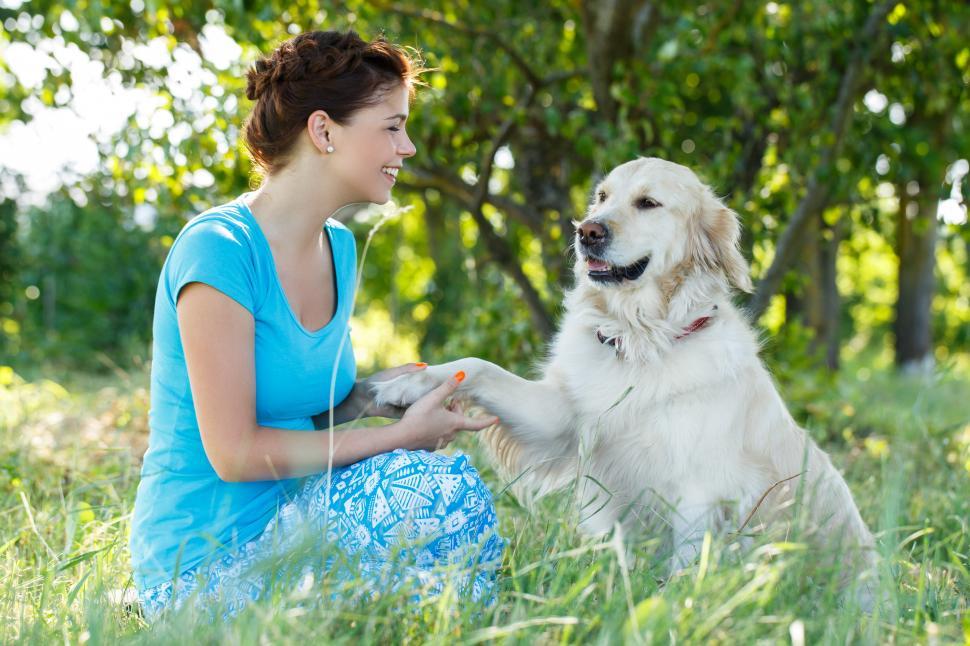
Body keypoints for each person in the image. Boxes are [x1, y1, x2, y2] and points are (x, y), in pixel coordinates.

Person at [129, 29, 505, 620]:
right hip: (201, 565)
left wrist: (382, 397)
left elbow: (299, 414)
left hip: (298, 524)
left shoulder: (339, 248)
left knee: (438, 483)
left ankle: (452, 629)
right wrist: (397, 439)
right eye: (392, 126)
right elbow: (235, 453)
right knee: (427, 484)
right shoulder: (219, 251)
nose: (407, 147)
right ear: (324, 131)